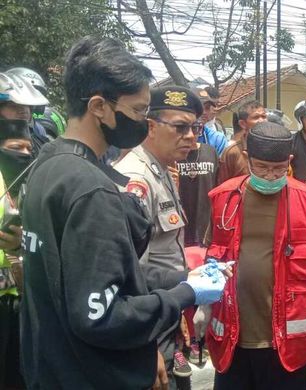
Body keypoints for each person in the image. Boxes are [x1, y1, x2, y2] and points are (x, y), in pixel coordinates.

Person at [19, 36, 230, 389]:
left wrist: (182, 279)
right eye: (137, 112)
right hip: (91, 372)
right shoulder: (93, 190)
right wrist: (185, 296)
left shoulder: (49, 165)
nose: (143, 123)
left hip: (51, 365)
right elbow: (101, 314)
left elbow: (101, 274)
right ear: (99, 106)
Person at [195, 121, 306, 390]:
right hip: (234, 335)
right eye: (262, 167)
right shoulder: (224, 199)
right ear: (247, 159)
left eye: (278, 169)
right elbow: (212, 254)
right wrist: (204, 303)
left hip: (287, 339)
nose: (271, 176)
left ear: (289, 161)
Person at [113, 85, 208, 384]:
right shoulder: (136, 180)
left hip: (164, 314)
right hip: (148, 329)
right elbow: (130, 275)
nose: (191, 137)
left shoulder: (162, 170)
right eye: (180, 127)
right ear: (150, 127)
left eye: (194, 127)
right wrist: (148, 345)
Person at [0, 119, 34, 390]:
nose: (23, 154)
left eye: (28, 148)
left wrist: (19, 245)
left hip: (17, 299)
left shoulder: (28, 185)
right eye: (15, 147)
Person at [217, 101, 266, 184]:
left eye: (264, 116)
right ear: (243, 124)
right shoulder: (232, 152)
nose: (262, 121)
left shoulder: (273, 147)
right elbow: (223, 186)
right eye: (256, 117)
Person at [195, 87, 228, 156]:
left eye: (207, 108)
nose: (204, 112)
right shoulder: (174, 136)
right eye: (199, 107)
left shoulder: (218, 137)